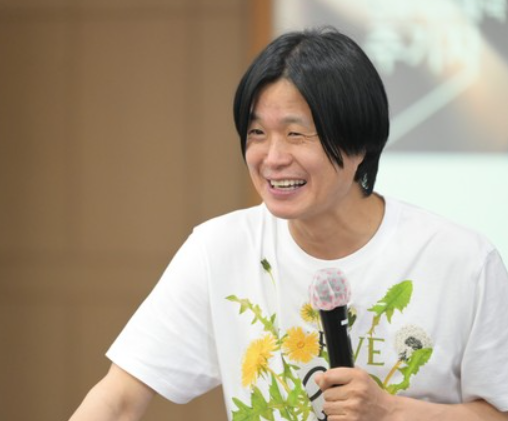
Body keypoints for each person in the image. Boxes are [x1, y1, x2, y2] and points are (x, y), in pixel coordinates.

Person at [68, 27, 508, 421]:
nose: (273, 158)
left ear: (359, 142)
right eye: (257, 133)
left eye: (296, 134)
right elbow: (119, 399)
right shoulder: (219, 249)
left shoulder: (461, 261)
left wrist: (392, 412)